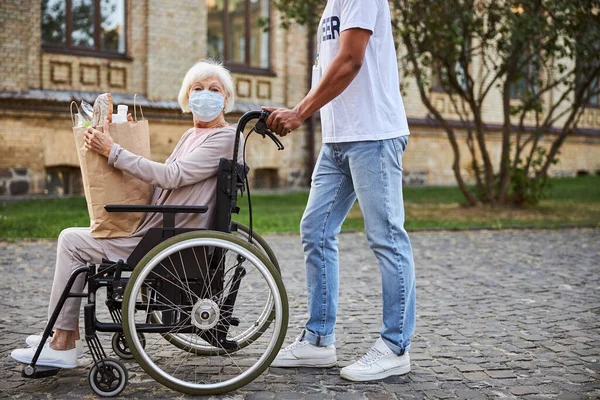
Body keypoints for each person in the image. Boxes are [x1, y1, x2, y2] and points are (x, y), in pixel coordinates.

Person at [11, 60, 242, 369]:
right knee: (75, 237)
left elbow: (171, 176)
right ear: (186, 97)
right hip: (161, 227)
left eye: (214, 90)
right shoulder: (192, 135)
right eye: (197, 89)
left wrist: (113, 151)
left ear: (226, 99)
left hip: (170, 237)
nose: (205, 95)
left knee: (71, 241)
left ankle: (63, 342)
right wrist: (121, 139)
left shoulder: (223, 138)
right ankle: (61, 334)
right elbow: (160, 181)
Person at [263, 0, 416, 382]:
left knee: (387, 238)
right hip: (338, 139)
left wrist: (299, 112)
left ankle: (396, 346)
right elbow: (332, 68)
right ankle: (318, 340)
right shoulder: (333, 4)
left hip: (373, 136)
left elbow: (350, 60)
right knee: (315, 230)